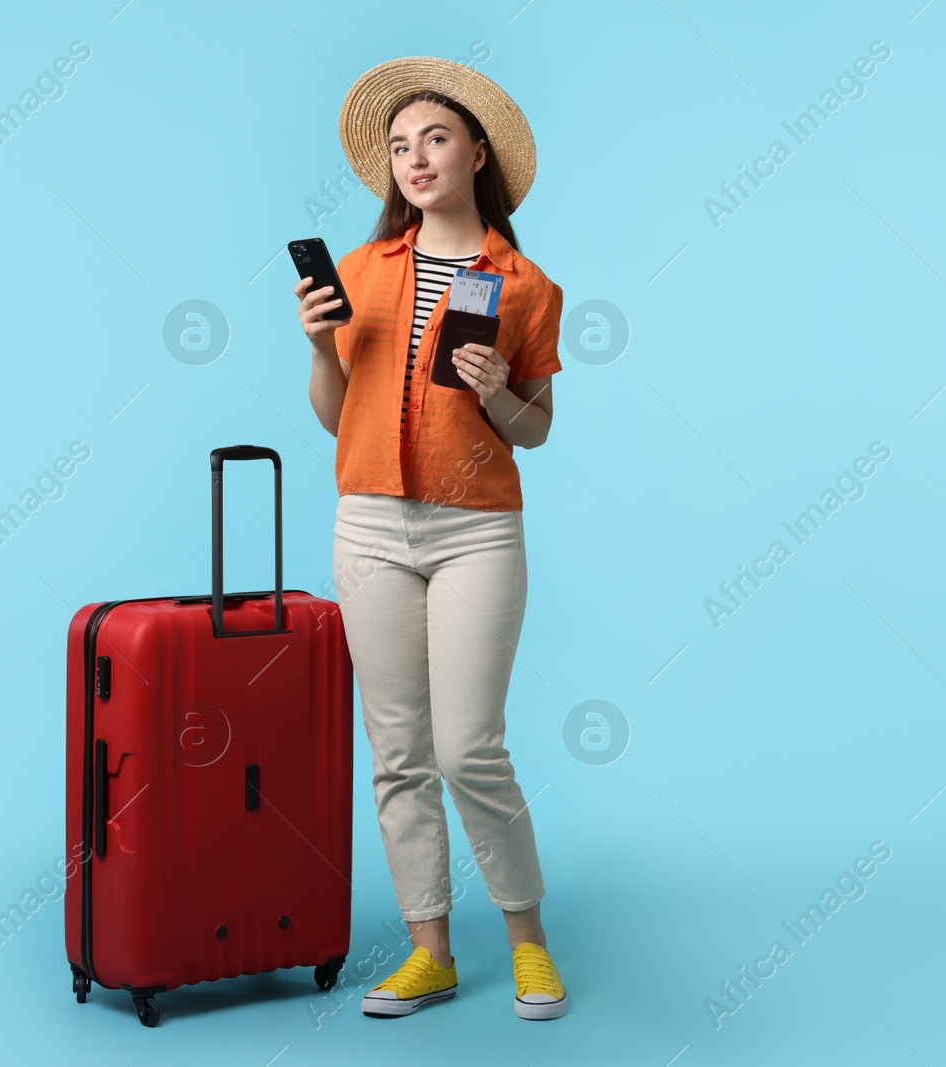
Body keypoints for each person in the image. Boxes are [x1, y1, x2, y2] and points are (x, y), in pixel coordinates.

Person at [293, 56, 567, 1021]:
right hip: (367, 522)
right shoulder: (361, 273)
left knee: (469, 749)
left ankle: (529, 944)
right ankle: (430, 952)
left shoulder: (524, 285)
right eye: (400, 146)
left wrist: (500, 392)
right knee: (397, 749)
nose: (415, 158)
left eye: (435, 138)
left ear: (476, 151)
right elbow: (335, 417)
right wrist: (315, 343)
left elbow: (536, 429)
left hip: (477, 531)